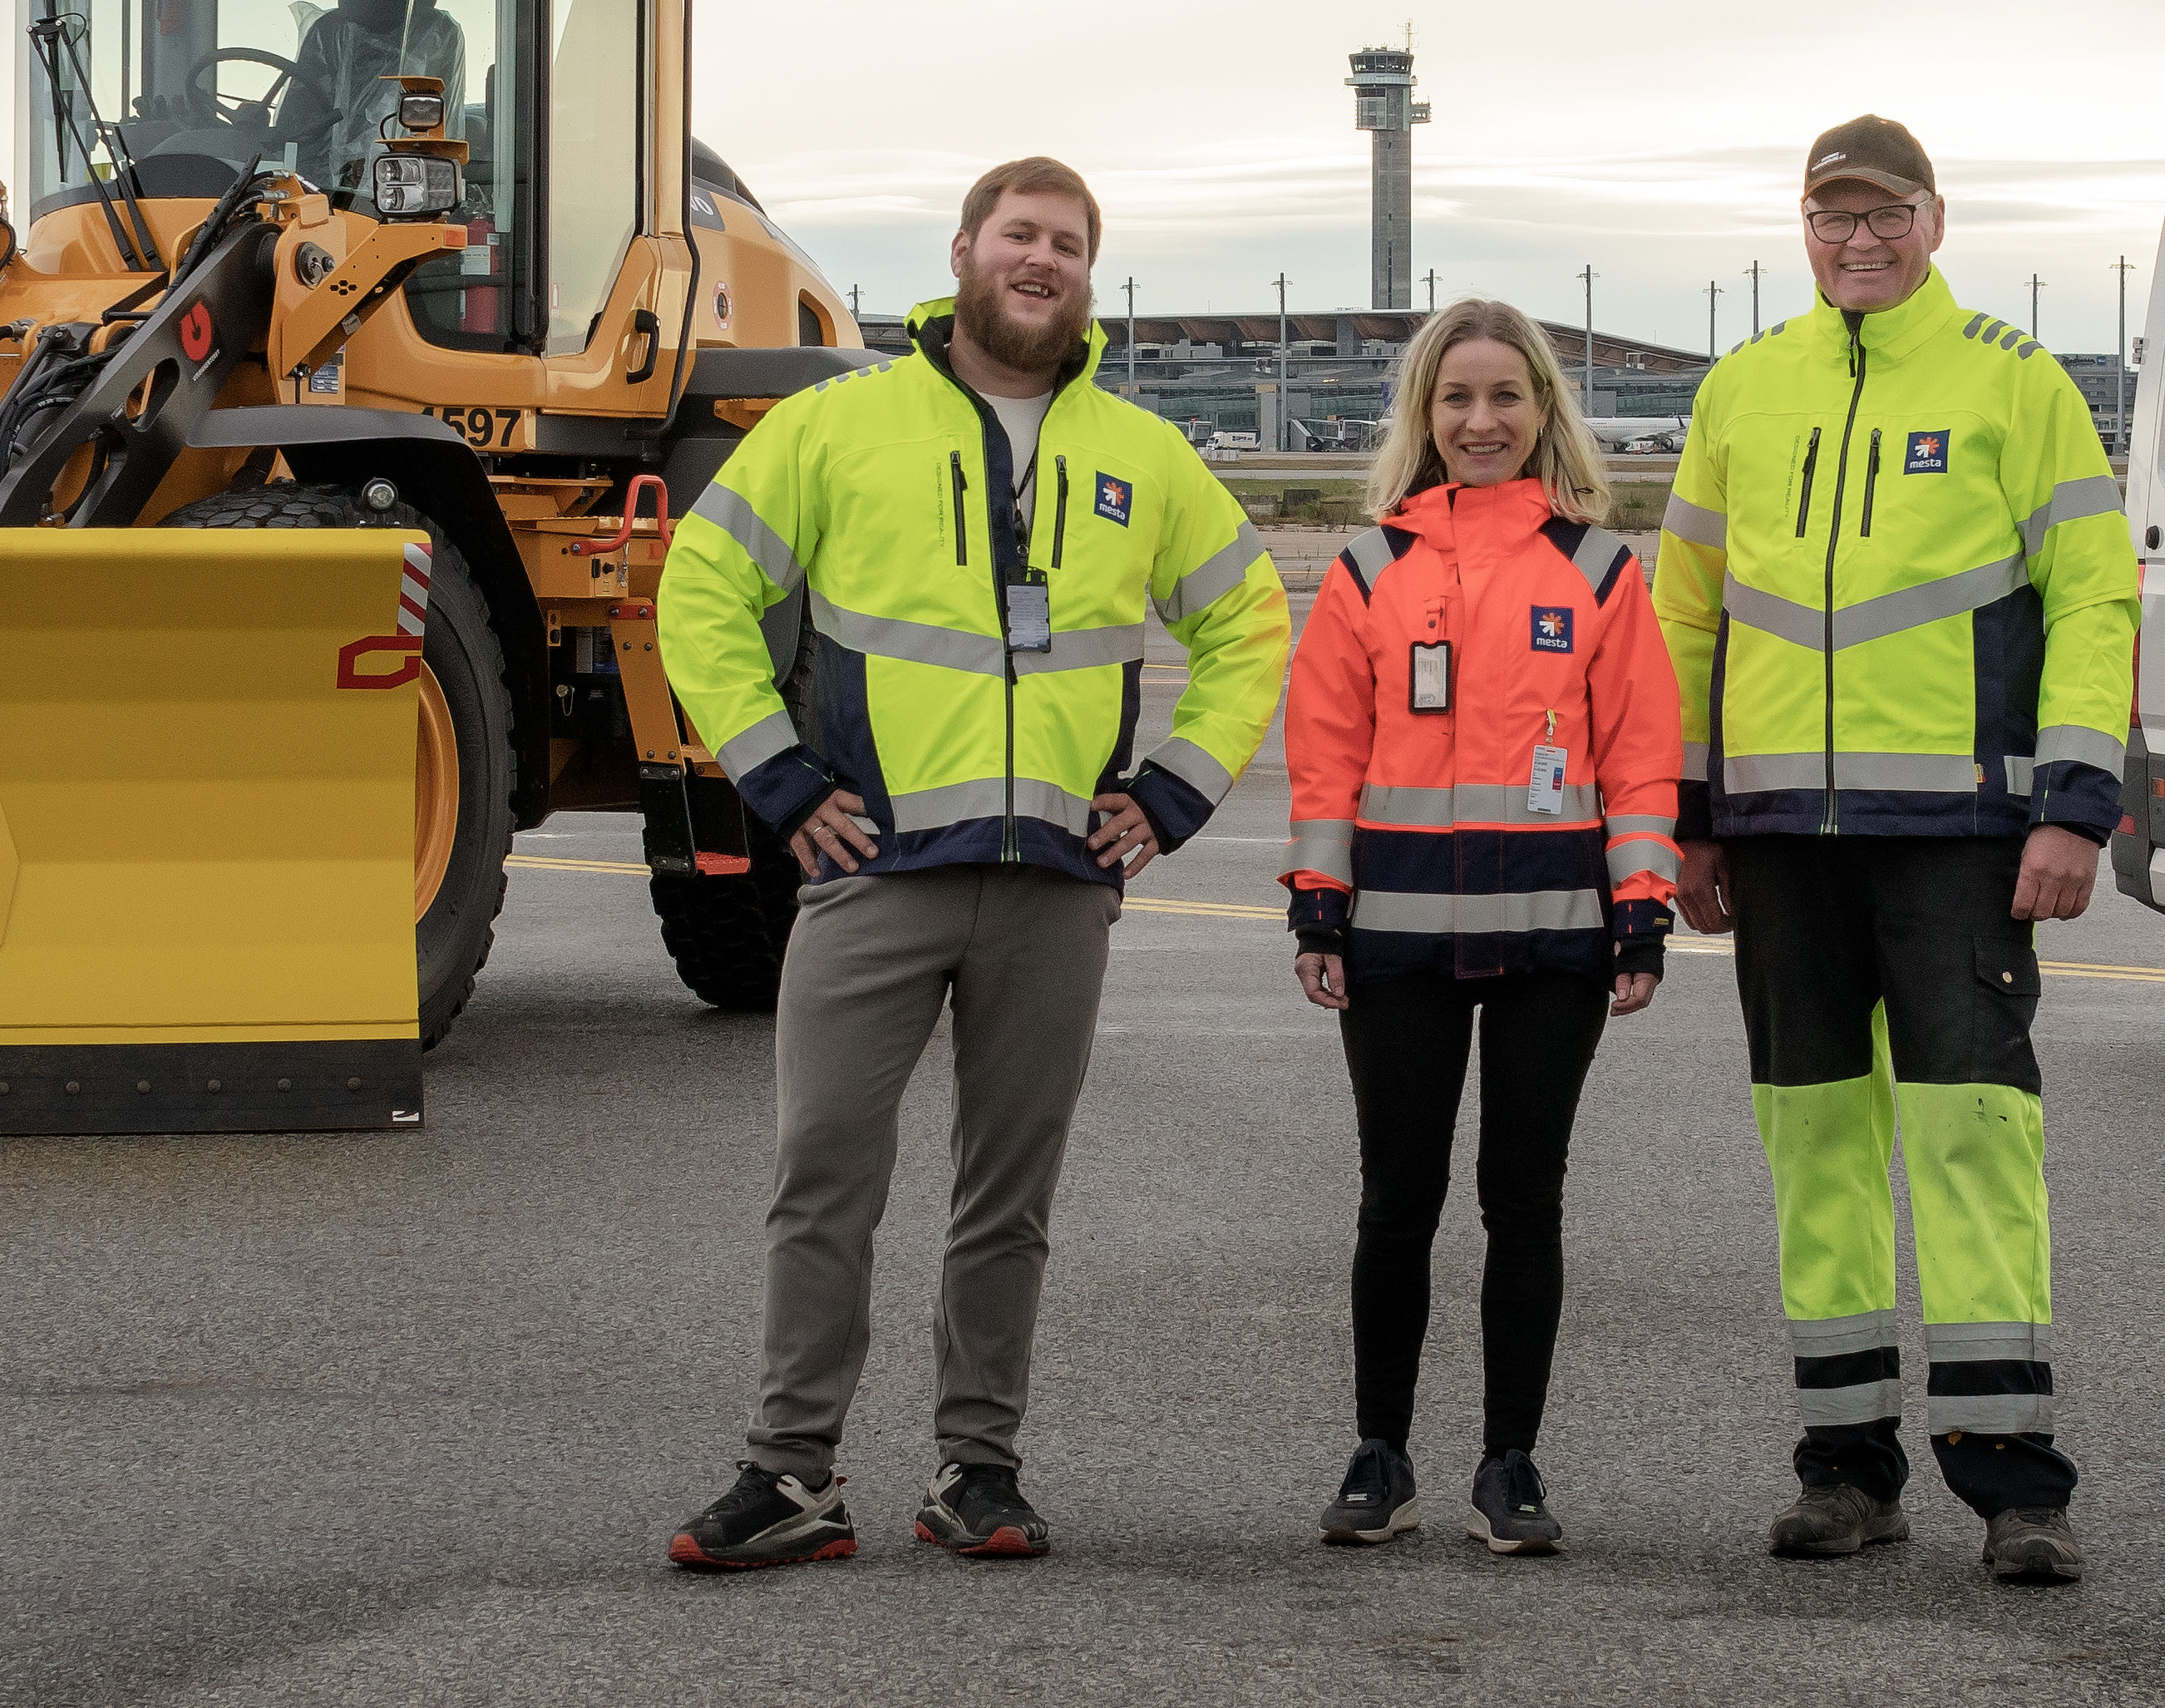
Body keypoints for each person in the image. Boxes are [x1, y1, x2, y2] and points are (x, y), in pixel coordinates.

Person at [654, 157, 1289, 1572]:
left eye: (1067, 242)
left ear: (1087, 274)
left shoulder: (1140, 453)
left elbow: (1249, 619)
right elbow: (701, 583)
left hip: (1057, 886)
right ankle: (790, 1473)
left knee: (1010, 1200)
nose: (1041, 258)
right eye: (1020, 234)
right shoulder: (841, 425)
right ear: (963, 252)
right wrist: (775, 775)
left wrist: (1173, 794)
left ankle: (978, 1470)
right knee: (824, 1176)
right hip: (875, 868)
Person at [1660, 114, 2131, 1587]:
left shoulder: (2013, 378)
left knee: (1975, 1143)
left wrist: (2071, 805)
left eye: (1885, 214)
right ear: (1802, 229)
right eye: (1832, 215)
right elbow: (1686, 612)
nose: (1858, 239)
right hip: (1784, 838)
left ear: (1935, 220)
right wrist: (1690, 813)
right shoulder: (1743, 390)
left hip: (1963, 842)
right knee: (1815, 1149)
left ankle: (2015, 1484)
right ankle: (1844, 1472)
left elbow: (2095, 600)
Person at [1275, 300, 1680, 1558]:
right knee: (1396, 1202)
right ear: (1424, 418)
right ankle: (1379, 1453)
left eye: (1506, 398)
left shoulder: (1602, 572)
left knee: (1525, 1200)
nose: (1482, 420)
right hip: (1395, 941)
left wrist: (1641, 914)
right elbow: (1325, 757)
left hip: (1556, 941)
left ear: (1544, 415)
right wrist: (1318, 909)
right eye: (1457, 400)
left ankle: (1511, 1461)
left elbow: (1641, 758)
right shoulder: (1363, 575)